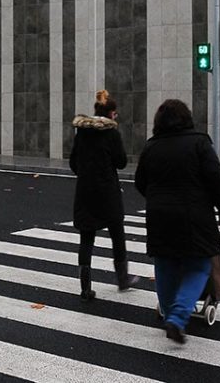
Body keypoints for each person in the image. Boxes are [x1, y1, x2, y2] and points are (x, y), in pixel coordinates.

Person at [134, 99, 220, 344]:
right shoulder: (199, 142)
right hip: (195, 215)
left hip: (159, 215)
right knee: (199, 265)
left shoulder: (151, 147)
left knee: (165, 265)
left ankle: (169, 312)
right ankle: (178, 317)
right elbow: (216, 180)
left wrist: (158, 199)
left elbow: (140, 181)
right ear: (186, 118)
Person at [70, 90, 139, 302]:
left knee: (86, 236)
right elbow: (121, 162)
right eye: (115, 114)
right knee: (117, 233)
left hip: (85, 191)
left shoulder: (81, 133)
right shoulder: (112, 133)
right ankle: (122, 278)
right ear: (111, 113)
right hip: (107, 191)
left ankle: (85, 286)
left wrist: (86, 173)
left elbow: (74, 162)